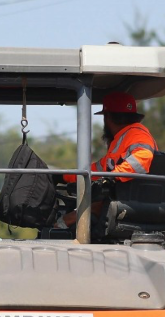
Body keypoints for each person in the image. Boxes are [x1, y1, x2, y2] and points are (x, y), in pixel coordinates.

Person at [61, 91, 158, 225]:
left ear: (108, 118)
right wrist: (64, 177)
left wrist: (112, 177)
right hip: (127, 198)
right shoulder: (122, 139)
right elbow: (97, 170)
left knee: (71, 218)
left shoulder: (136, 133)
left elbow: (142, 159)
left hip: (132, 200)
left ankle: (56, 228)